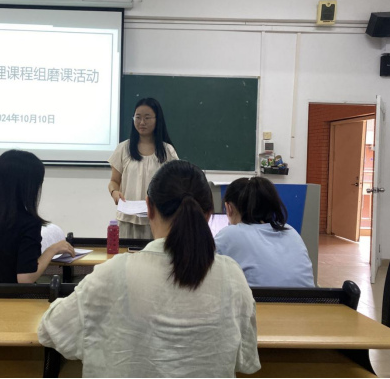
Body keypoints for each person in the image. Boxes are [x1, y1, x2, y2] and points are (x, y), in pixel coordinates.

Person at [39, 161, 260, 378]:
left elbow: (51, 330)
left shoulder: (113, 273)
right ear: (209, 214)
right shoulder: (232, 276)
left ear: (149, 207)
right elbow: (245, 359)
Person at [0, 150, 75, 284]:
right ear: (30, 186)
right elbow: (25, 279)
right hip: (17, 295)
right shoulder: (29, 223)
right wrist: (52, 250)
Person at [215, 177, 315, 288]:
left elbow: (204, 268)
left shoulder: (229, 234)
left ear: (229, 208)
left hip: (260, 299)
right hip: (309, 298)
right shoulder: (291, 231)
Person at [108, 98, 179, 239]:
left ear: (157, 119)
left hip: (157, 220)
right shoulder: (123, 148)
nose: (142, 122)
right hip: (127, 219)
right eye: (138, 117)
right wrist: (114, 192)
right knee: (126, 253)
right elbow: (114, 181)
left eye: (147, 118)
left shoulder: (167, 151)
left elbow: (175, 185)